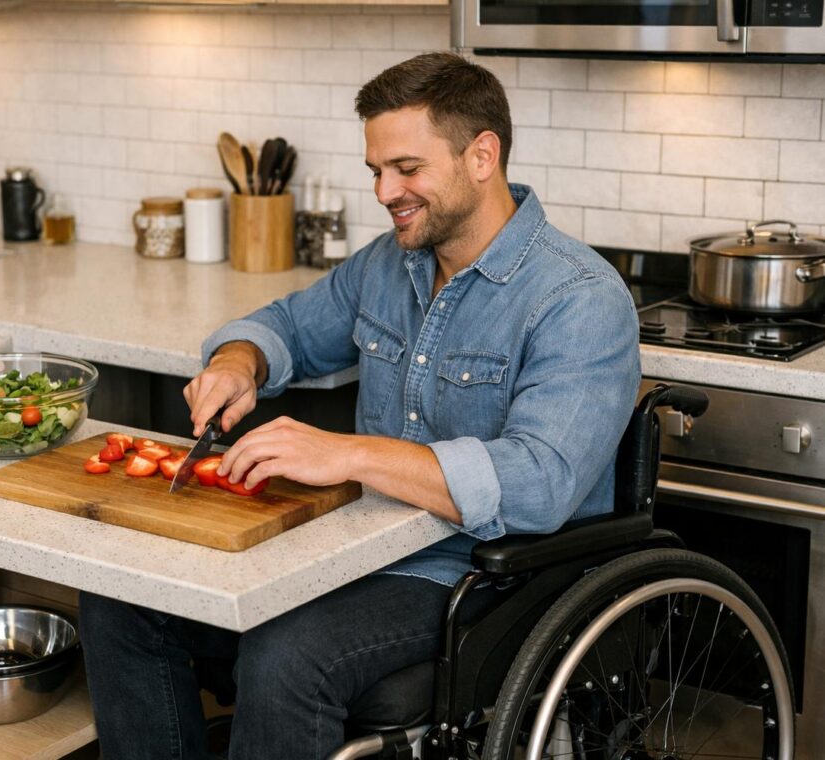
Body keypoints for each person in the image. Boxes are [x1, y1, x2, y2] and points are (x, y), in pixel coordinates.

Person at [79, 51, 641, 760]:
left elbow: (540, 483)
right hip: (350, 551)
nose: (384, 191)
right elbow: (284, 325)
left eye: (406, 169)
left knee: (287, 658)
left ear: (482, 156)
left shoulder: (578, 299)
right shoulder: (388, 264)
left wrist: (344, 454)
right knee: (121, 599)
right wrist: (237, 360)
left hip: (489, 576)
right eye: (375, 170)